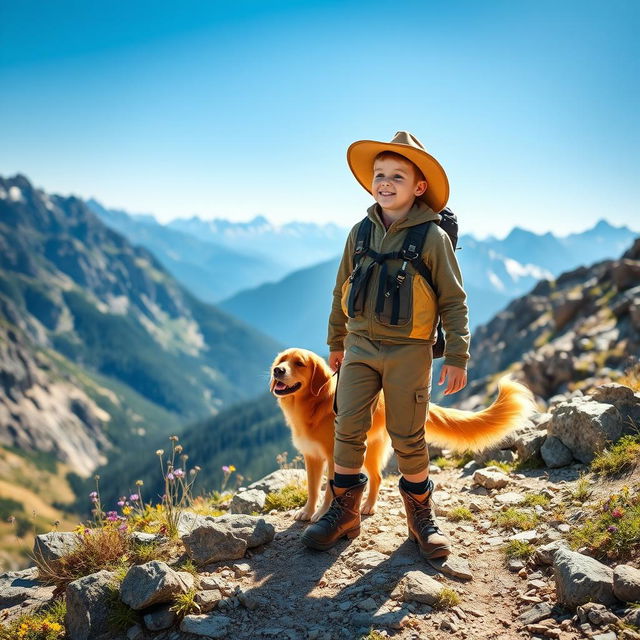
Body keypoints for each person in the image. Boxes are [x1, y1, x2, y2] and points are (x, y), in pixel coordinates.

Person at [301, 130, 470, 559]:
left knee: (407, 434)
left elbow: (453, 299)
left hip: (410, 350)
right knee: (347, 425)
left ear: (419, 187)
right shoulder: (359, 233)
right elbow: (341, 286)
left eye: (398, 175)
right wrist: (336, 340)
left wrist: (456, 355)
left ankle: (421, 518)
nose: (386, 182)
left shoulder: (432, 238)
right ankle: (344, 512)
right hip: (358, 347)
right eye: (380, 174)